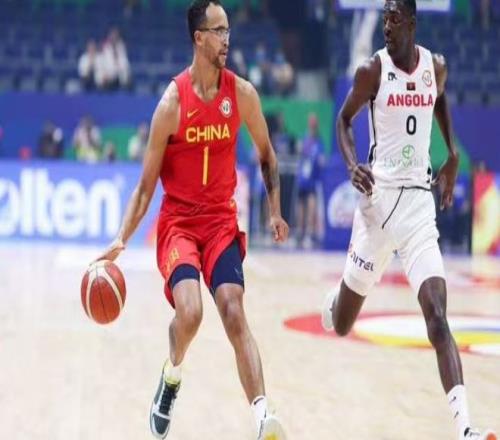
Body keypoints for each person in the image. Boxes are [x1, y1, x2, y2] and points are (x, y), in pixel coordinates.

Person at [95, 1, 289, 439]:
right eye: (219, 31)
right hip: (180, 224)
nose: (227, 39)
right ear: (199, 38)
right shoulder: (171, 104)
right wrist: (121, 238)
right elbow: (145, 187)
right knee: (191, 313)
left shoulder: (242, 94)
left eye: (228, 30)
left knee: (233, 309)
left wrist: (275, 210)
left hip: (220, 222)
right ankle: (171, 375)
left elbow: (267, 156)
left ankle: (263, 415)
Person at [321, 1, 497, 440]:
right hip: (377, 206)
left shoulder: (436, 66)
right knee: (341, 324)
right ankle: (335, 300)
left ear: (412, 24)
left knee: (437, 316)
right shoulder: (372, 71)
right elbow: (343, 121)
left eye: (394, 18)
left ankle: (465, 428)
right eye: (384, 17)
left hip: (418, 206)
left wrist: (452, 153)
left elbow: (439, 102)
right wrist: (352, 165)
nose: (387, 25)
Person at [295, 112, 324, 248]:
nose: (313, 124)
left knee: (312, 207)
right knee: (301, 208)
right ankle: (300, 234)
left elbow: (321, 159)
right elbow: (300, 151)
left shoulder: (319, 141)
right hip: (303, 179)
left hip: (312, 180)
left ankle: (309, 234)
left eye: (315, 122)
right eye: (311, 121)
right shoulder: (304, 139)